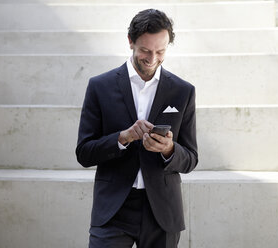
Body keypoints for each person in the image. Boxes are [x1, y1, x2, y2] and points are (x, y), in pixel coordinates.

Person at [76, 9, 198, 248]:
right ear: (130, 41)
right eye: (145, 50)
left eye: (160, 51)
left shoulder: (183, 91)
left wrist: (169, 149)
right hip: (113, 210)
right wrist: (123, 137)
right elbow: (84, 152)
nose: (152, 59)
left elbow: (191, 159)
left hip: (162, 213)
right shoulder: (99, 86)